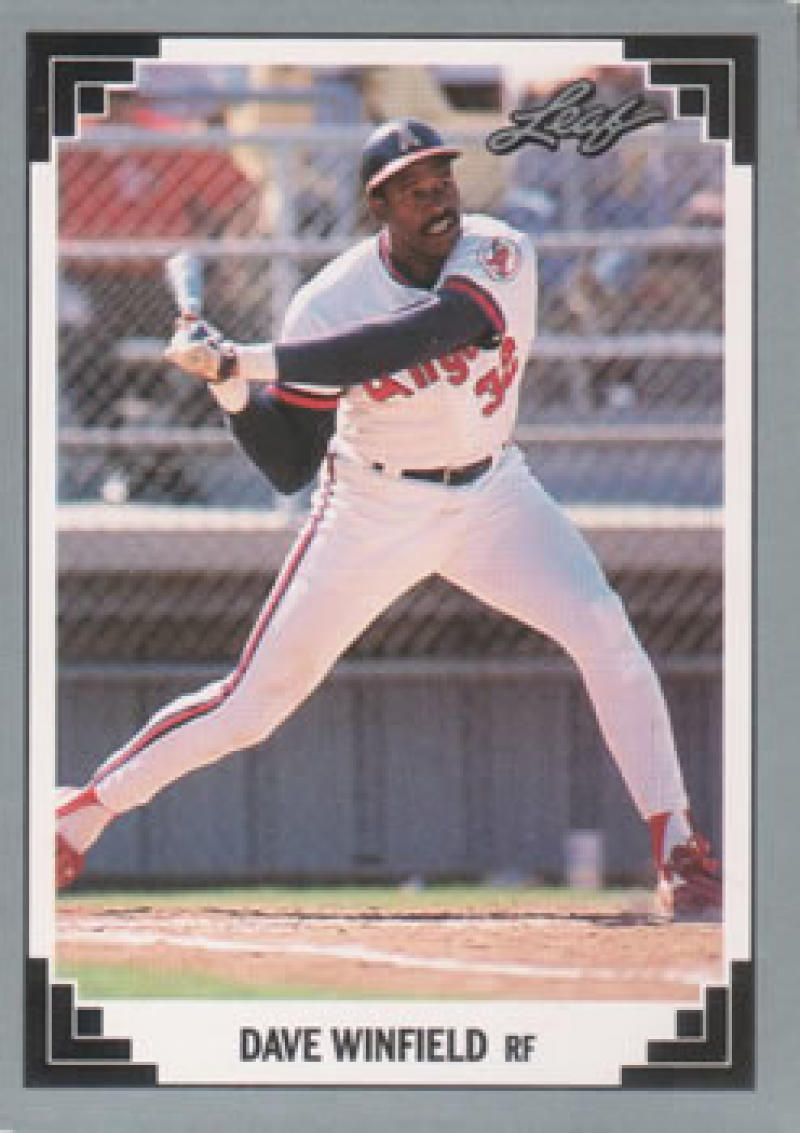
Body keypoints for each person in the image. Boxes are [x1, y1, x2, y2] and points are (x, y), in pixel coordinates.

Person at [56, 119, 722, 920]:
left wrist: (249, 360)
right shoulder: (326, 301)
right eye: (415, 188)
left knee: (604, 629)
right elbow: (288, 463)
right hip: (373, 505)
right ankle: (81, 813)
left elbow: (421, 335)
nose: (438, 198)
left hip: (496, 494)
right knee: (252, 706)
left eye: (442, 179)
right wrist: (227, 388)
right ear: (380, 205)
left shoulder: (498, 251)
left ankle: (679, 849)